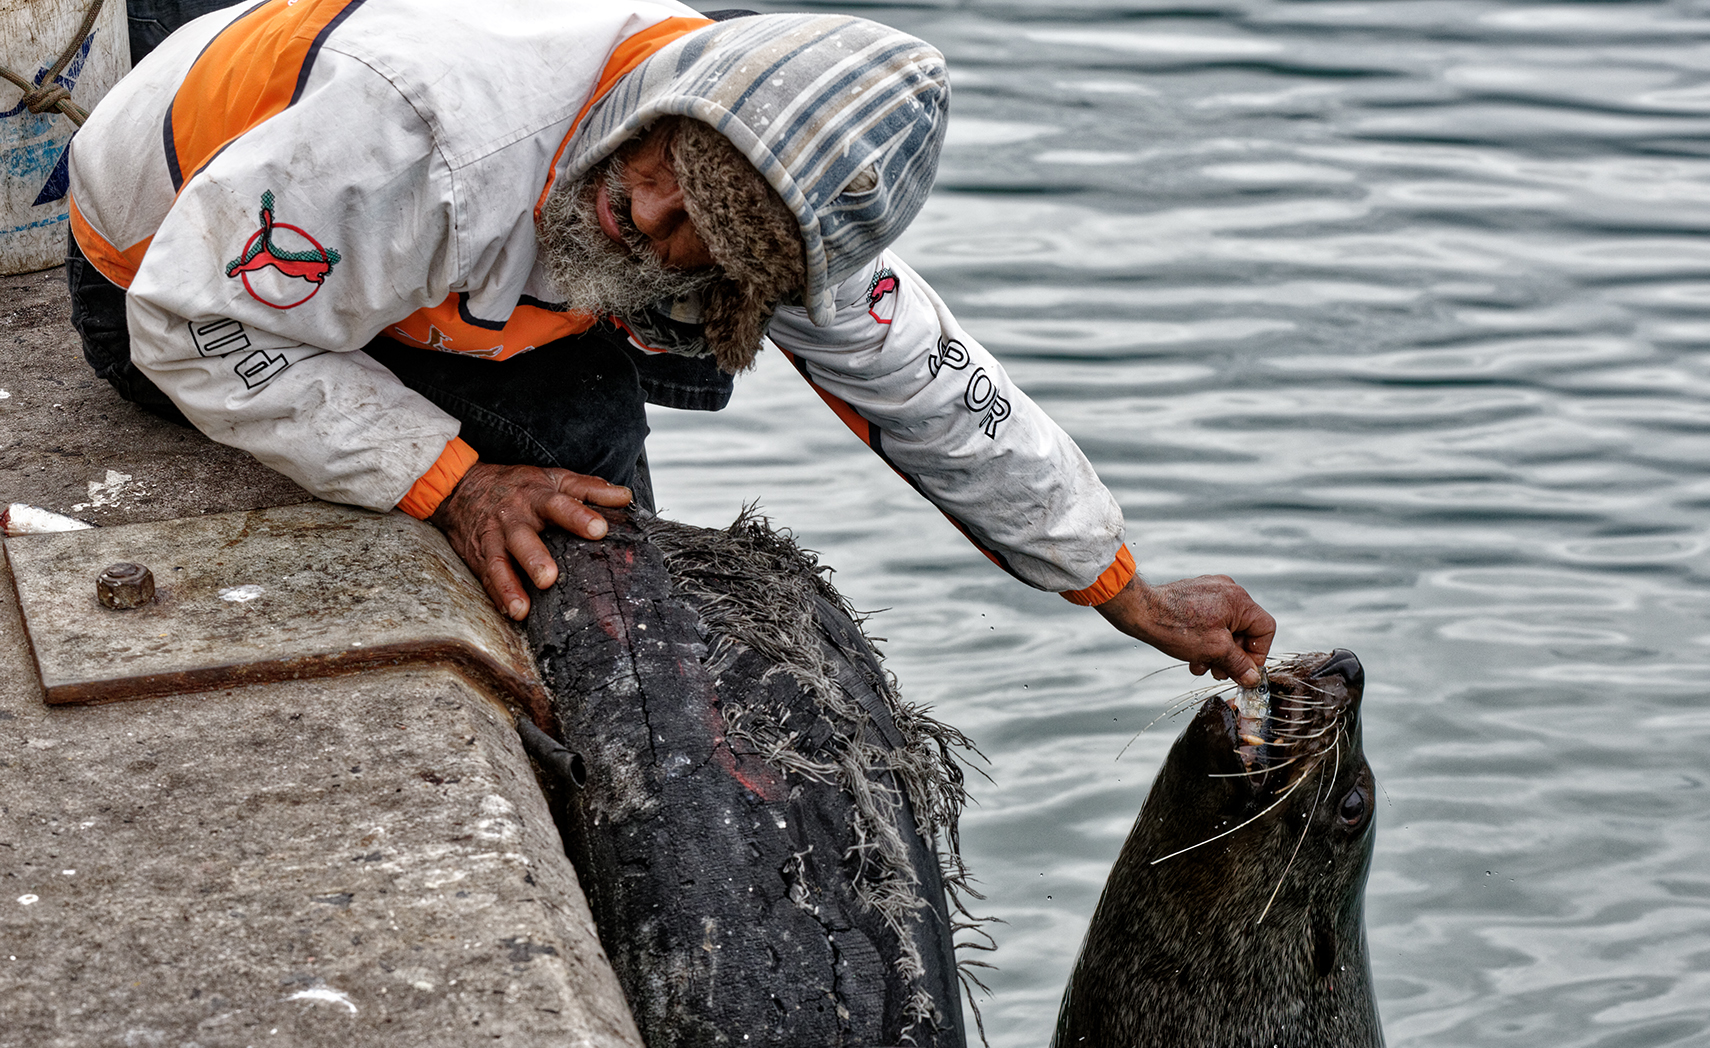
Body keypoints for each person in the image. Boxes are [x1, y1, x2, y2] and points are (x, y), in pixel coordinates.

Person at [64, 0, 1276, 685]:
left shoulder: (761, 193)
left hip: (437, 267)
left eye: (705, 230)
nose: (649, 214)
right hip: (168, 273)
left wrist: (1120, 588)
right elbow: (190, 321)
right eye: (668, 177)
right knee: (552, 506)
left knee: (604, 474)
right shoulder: (423, 136)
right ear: (670, 105)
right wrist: (450, 483)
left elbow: (932, 390)